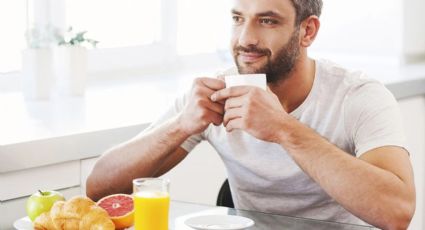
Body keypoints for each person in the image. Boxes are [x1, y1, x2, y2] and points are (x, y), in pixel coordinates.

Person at [86, 0, 415, 228]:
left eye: (267, 20)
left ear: (308, 31)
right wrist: (180, 125)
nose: (246, 39)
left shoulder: (357, 95)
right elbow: (98, 189)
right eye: (238, 19)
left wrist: (284, 129)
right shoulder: (215, 91)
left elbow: (397, 213)